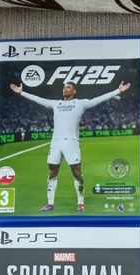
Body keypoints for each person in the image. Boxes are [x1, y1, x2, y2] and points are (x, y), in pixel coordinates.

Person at [9, 80, 131, 212]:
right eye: (64, 87)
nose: (65, 89)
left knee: (77, 172)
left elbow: (99, 99)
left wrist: (118, 91)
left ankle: (80, 202)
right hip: (56, 142)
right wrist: (22, 93)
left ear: (74, 91)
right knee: (52, 172)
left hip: (71, 142)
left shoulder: (80, 103)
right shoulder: (56, 104)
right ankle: (50, 203)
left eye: (68, 87)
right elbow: (39, 100)